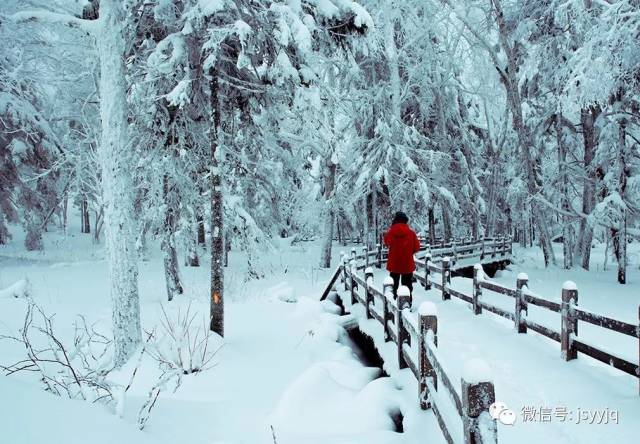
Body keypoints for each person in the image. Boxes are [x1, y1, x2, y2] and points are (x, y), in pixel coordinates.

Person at [384, 211, 420, 299]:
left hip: (394, 264)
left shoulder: (391, 232)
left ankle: (393, 302)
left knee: (393, 285)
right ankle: (407, 304)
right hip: (407, 263)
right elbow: (417, 247)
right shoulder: (411, 233)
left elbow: (386, 242)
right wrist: (408, 252)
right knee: (407, 285)